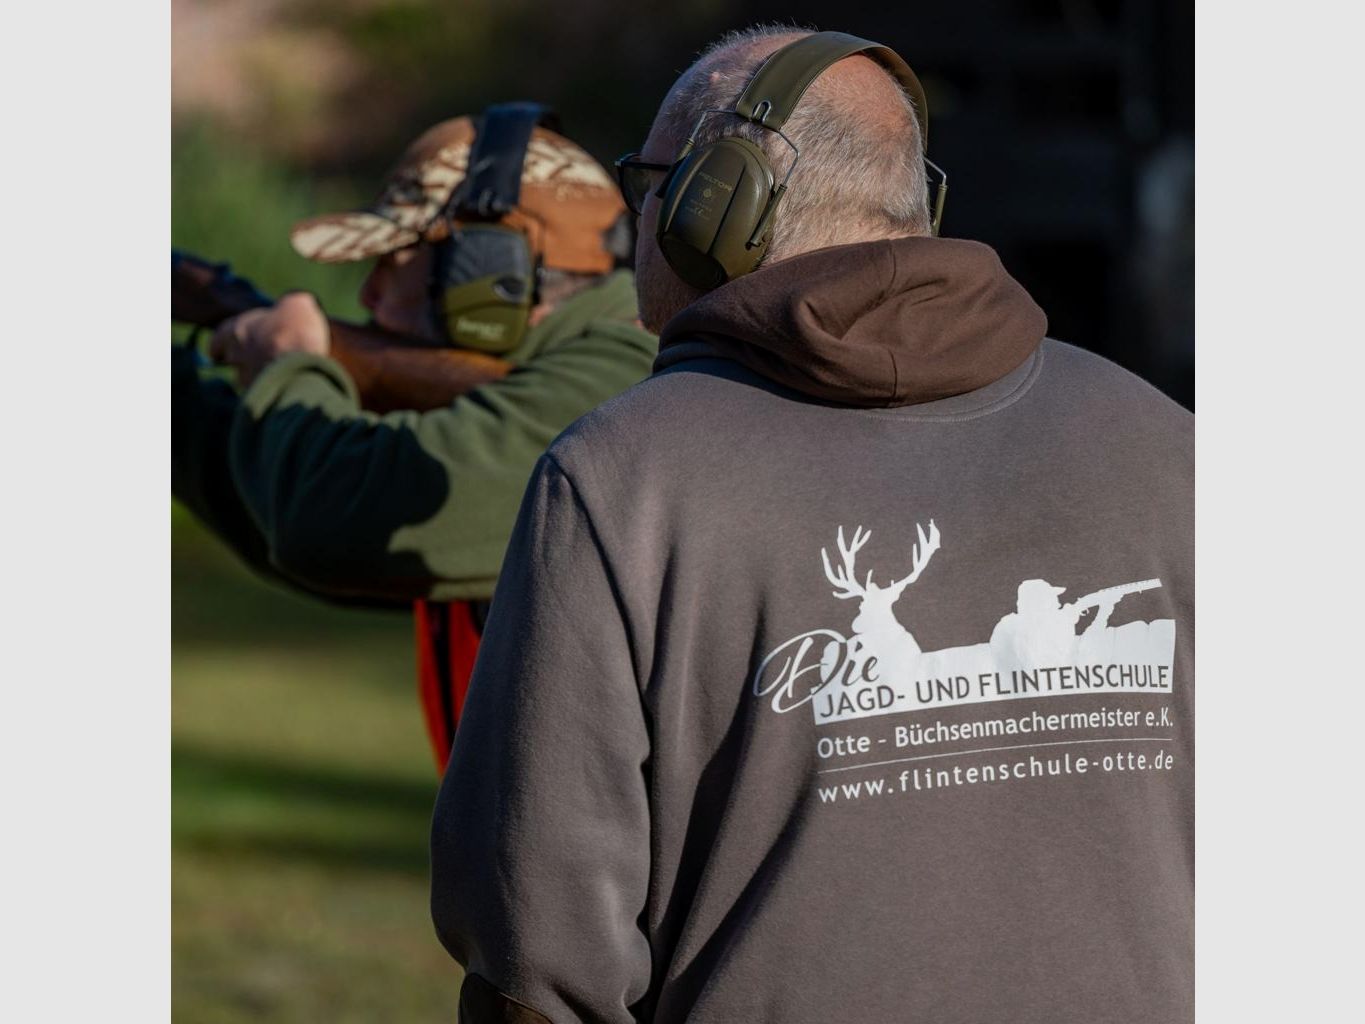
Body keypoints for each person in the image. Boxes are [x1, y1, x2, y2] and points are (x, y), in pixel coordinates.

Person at [431, 28, 1193, 1024]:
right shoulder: (1173, 450)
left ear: (716, 208)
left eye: (647, 184)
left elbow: (537, 951)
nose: (636, 222)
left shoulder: (621, 478)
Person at [172, 106, 657, 770]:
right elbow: (299, 528)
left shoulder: (617, 381)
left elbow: (338, 521)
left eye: (394, 261)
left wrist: (293, 364)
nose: (367, 296)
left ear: (489, 275)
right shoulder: (561, 382)